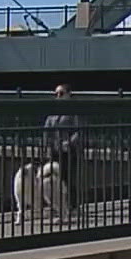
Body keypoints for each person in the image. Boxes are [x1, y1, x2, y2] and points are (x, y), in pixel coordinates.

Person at [42, 83, 84, 214]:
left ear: (68, 94)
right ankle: (56, 205)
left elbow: (79, 130)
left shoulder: (74, 111)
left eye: (61, 93)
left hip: (68, 151)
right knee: (53, 179)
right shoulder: (53, 112)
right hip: (54, 149)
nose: (58, 96)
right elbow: (47, 129)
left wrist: (69, 143)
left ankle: (72, 205)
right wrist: (46, 145)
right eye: (56, 94)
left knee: (67, 178)